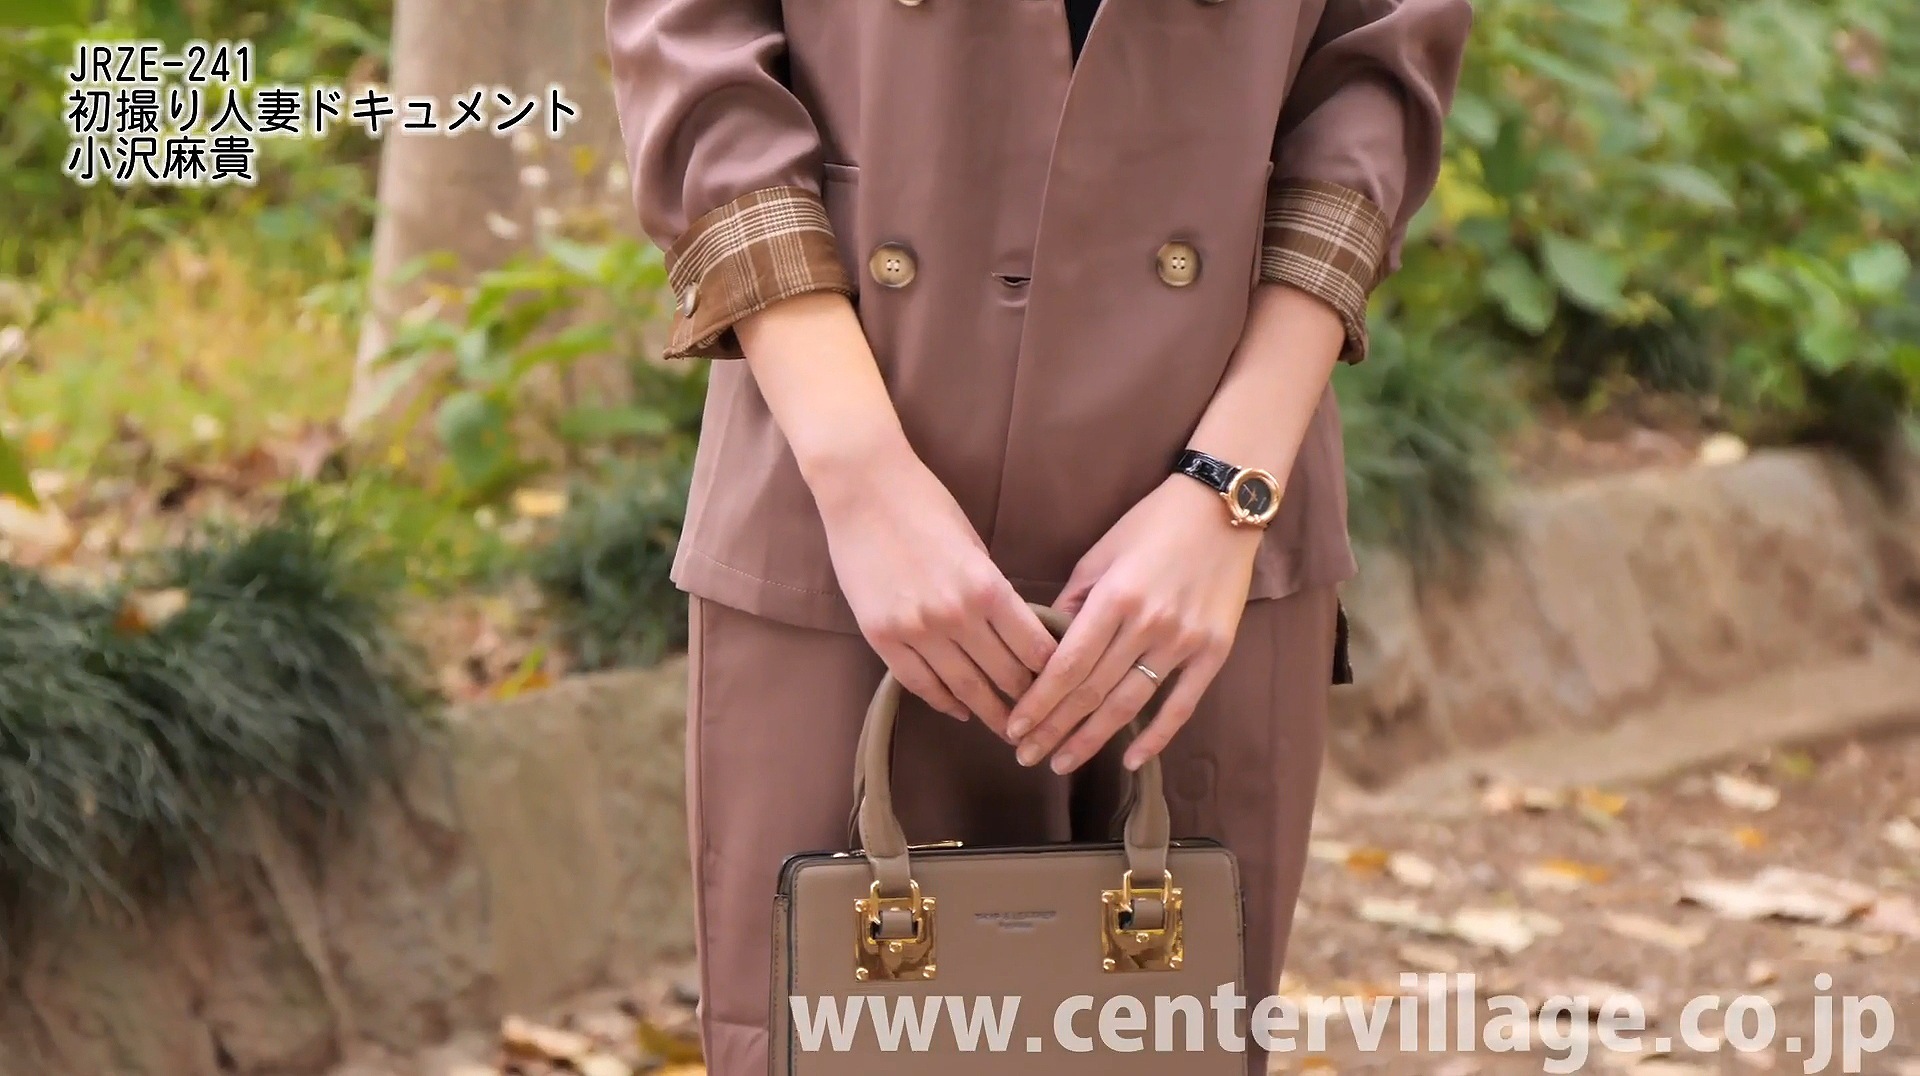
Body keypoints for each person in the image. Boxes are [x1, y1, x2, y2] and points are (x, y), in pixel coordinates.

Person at [606, 2, 1472, 1072]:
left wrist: (1226, 490)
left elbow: (1376, 67)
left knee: (1169, 1047)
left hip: (1202, 528)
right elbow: (695, 60)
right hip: (841, 490)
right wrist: (863, 480)